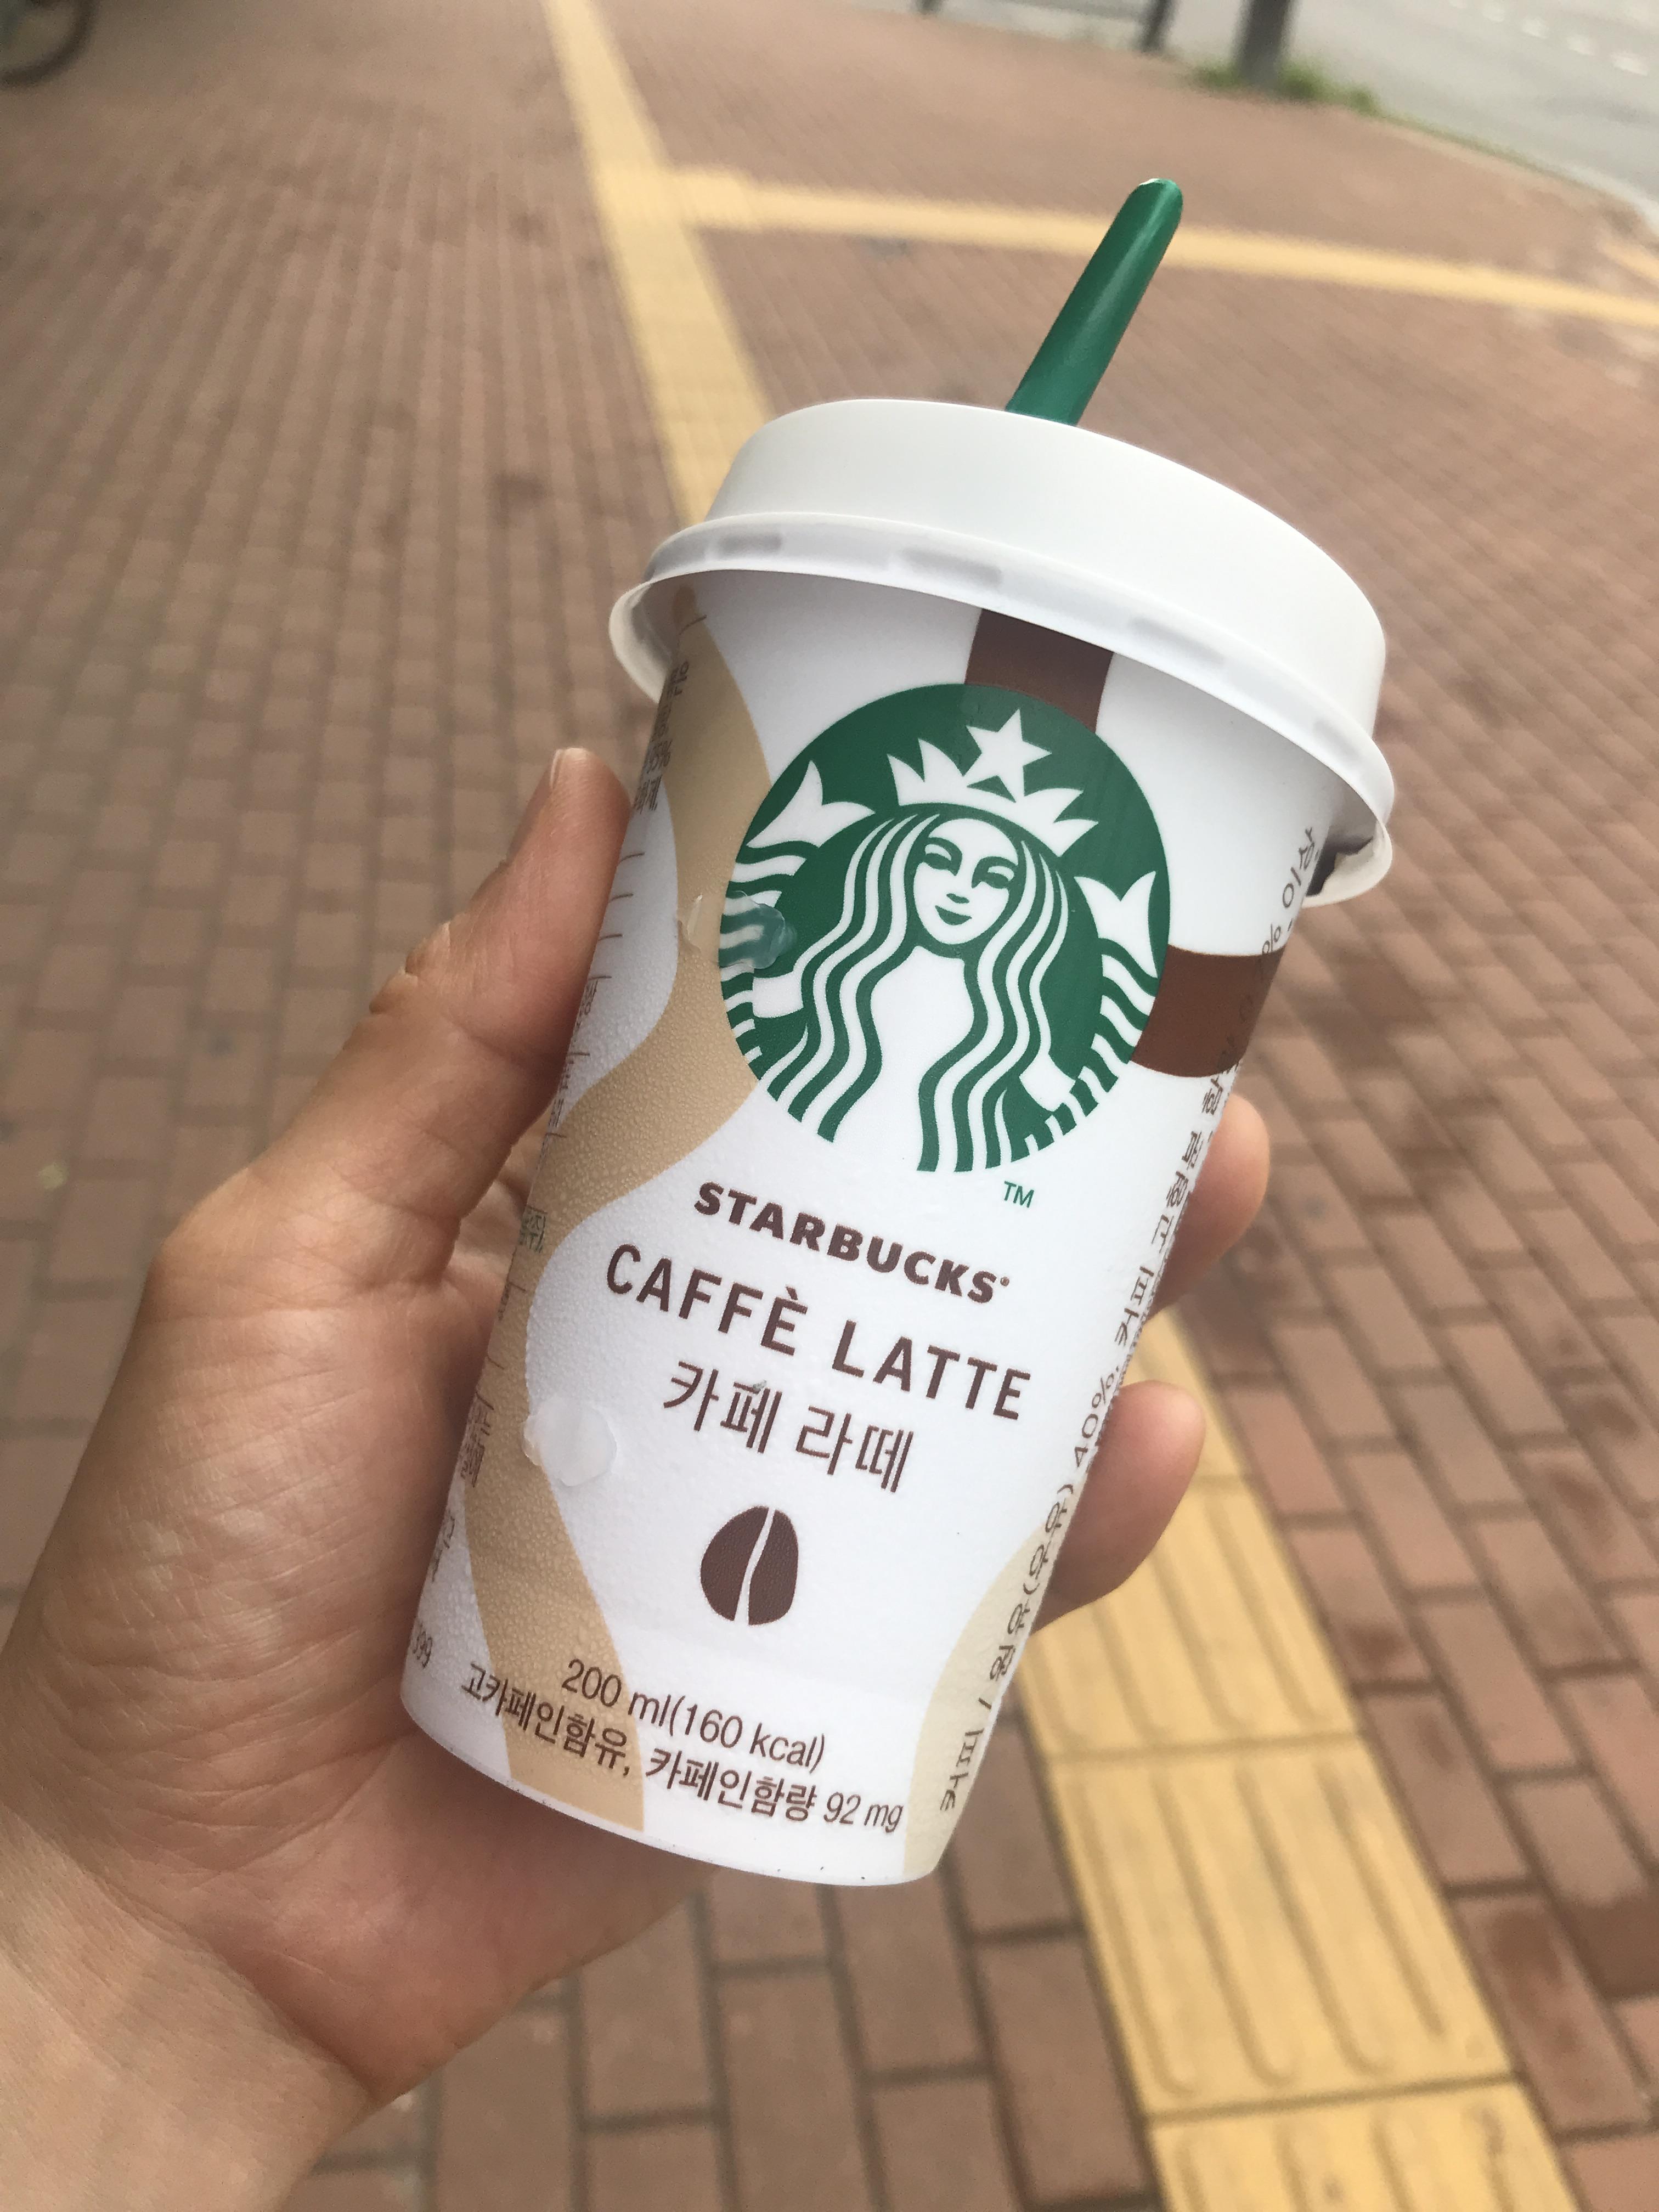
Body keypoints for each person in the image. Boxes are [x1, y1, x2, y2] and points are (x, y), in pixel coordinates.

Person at [0, 749, 1268, 2209]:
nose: (962, 886)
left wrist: (117, 1956)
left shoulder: (1016, 1070)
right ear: (884, 864)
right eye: (938, 852)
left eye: (1001, 872)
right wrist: (116, 1907)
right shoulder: (823, 996)